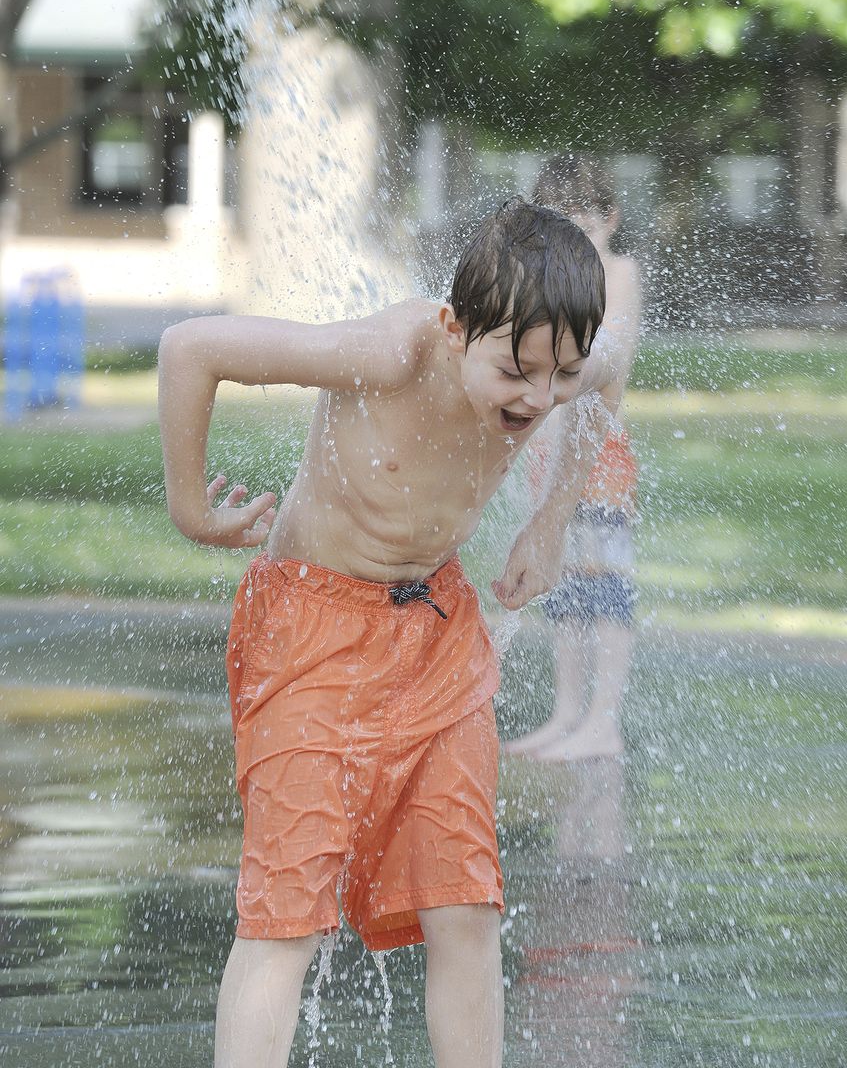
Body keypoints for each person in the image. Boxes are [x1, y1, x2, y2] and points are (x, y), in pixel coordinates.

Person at [158, 196, 622, 1068]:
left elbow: (608, 384)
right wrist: (191, 509)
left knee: (465, 903)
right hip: (310, 630)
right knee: (284, 916)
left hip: (437, 633)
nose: (539, 397)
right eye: (518, 371)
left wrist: (552, 522)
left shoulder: (561, 367)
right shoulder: (392, 351)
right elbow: (192, 349)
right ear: (456, 328)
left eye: (560, 374)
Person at [503, 155, 642, 764]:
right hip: (545, 447)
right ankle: (566, 715)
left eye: (582, 221)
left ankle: (602, 721)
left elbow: (611, 363)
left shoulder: (619, 273)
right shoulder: (549, 282)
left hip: (600, 452)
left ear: (609, 219)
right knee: (558, 586)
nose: (572, 235)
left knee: (604, 583)